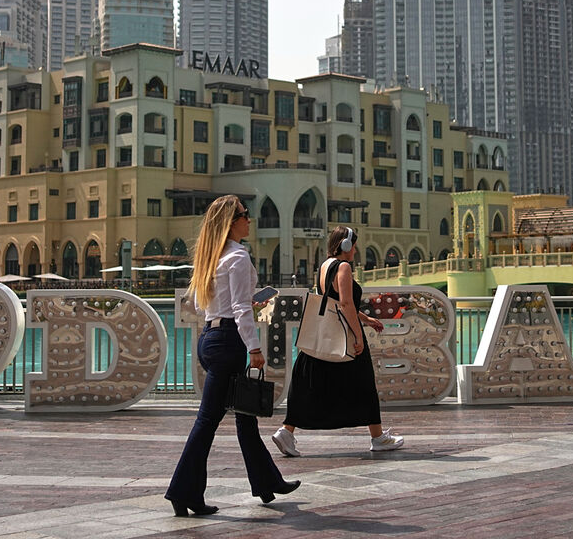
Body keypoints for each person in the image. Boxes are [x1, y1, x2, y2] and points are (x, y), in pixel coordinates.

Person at [166, 195, 300, 517]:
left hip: (210, 338)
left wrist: (243, 304)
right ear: (232, 221)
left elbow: (204, 305)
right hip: (228, 342)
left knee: (245, 414)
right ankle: (183, 492)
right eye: (245, 214)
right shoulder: (237, 256)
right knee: (207, 421)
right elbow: (239, 308)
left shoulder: (212, 257)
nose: (249, 219)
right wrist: (254, 348)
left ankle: (268, 483)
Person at [271, 225, 404, 457]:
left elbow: (331, 302)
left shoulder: (324, 266)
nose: (355, 250)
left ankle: (287, 431)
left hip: (324, 336)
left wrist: (366, 319)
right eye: (353, 245)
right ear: (345, 245)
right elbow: (345, 303)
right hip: (344, 338)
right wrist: (358, 335)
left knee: (309, 385)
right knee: (365, 385)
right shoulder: (343, 267)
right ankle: (378, 438)